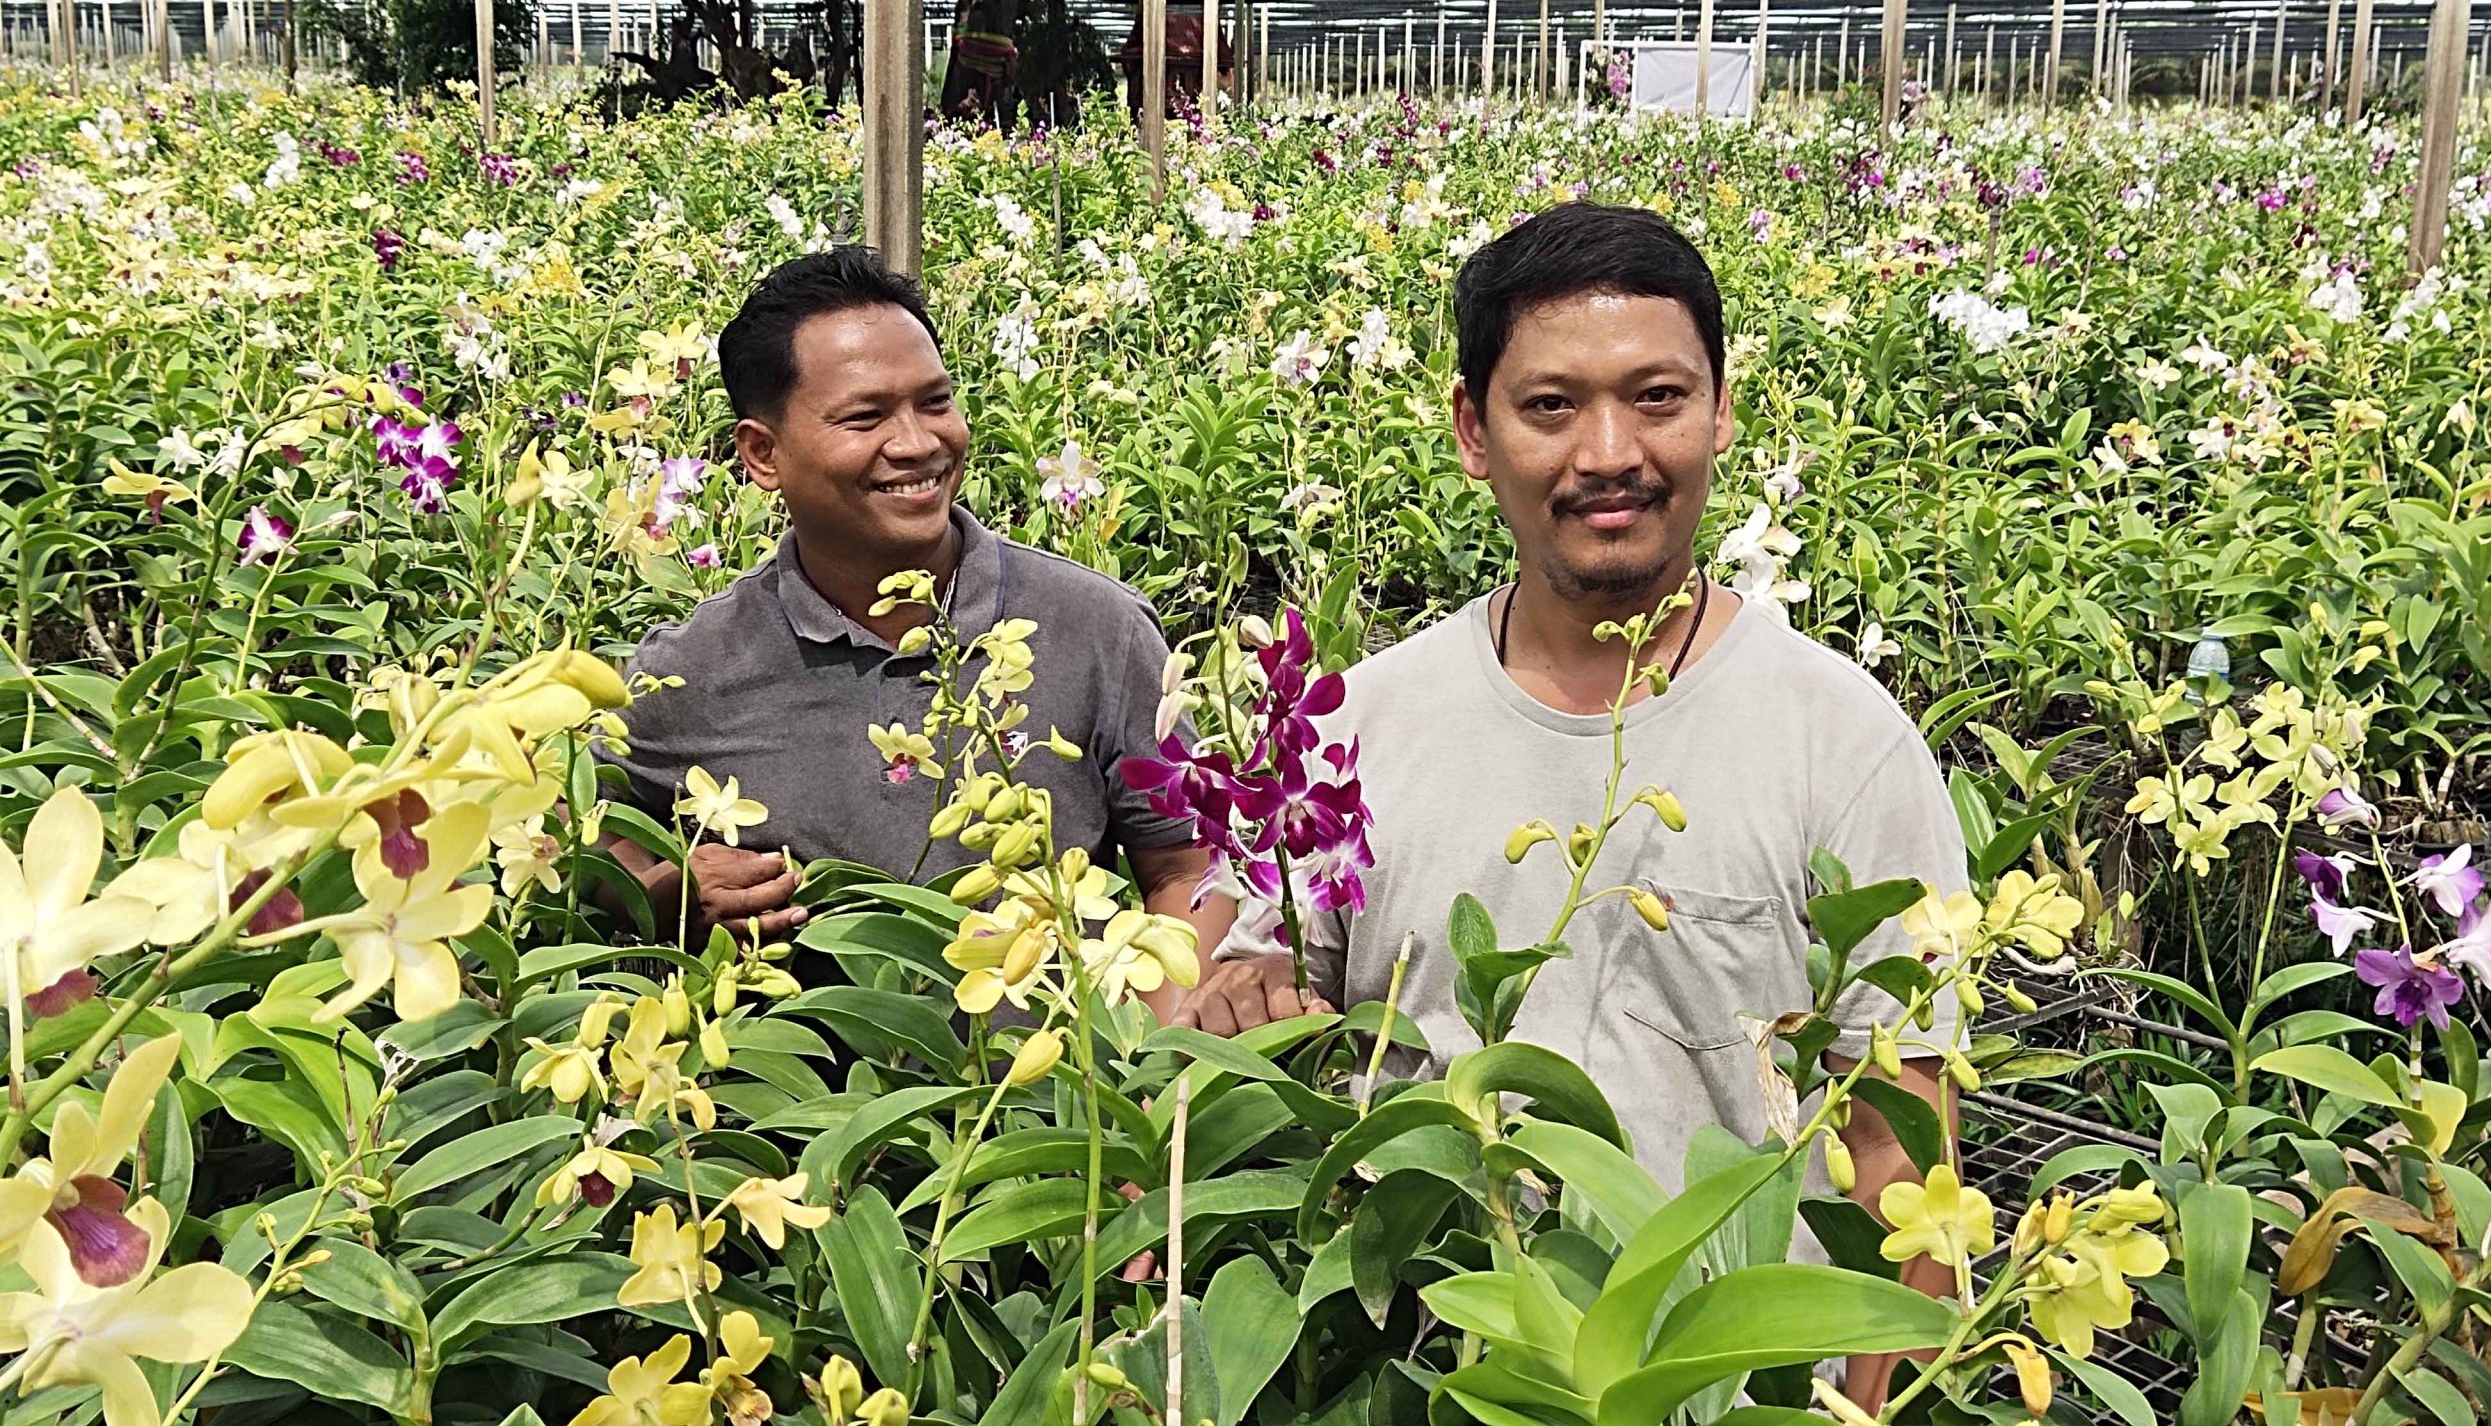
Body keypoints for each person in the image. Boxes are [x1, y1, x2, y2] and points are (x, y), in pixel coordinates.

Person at [1175, 204, 1964, 1408]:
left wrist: (1875, 1400)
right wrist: (1241, 1006)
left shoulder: (1841, 740)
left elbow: (1905, 1149)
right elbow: (1256, 1017)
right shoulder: (1352, 727)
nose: (1609, 452)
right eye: (1549, 406)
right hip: (1426, 1376)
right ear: (1470, 431)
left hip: (1737, 1386)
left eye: (1656, 397)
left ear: (1720, 412)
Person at [601, 246, 1231, 1013]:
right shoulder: (694, 670)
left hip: (1051, 1100)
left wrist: (1148, 1061)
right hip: (793, 1118)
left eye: (934, 402)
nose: (918, 443)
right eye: (865, 417)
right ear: (762, 455)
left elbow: (1189, 869)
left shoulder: (1097, 628)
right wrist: (662, 891)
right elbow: (582, 832)